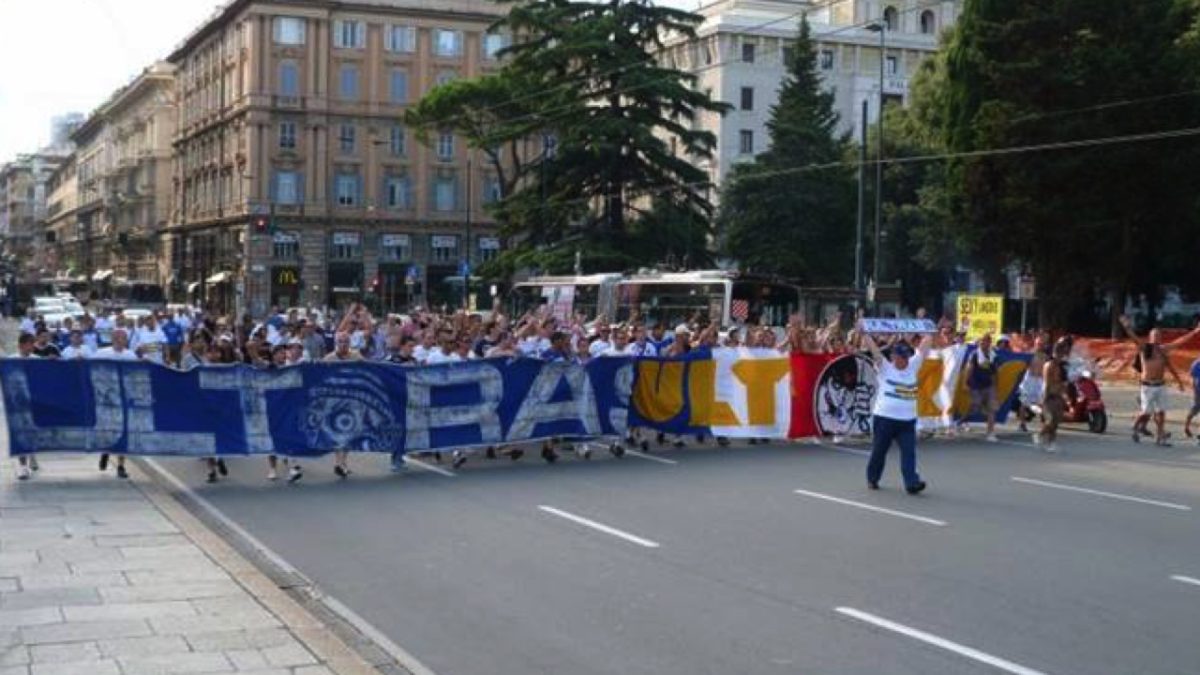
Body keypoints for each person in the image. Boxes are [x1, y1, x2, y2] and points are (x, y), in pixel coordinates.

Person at [861, 327, 932, 494]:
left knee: (909, 453)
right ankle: (872, 478)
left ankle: (911, 483)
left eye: (906, 357)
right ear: (893, 357)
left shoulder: (913, 366)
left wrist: (929, 331)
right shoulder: (885, 367)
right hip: (884, 419)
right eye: (901, 357)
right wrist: (864, 333)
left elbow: (923, 349)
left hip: (907, 421)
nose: (905, 360)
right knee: (879, 451)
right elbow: (875, 351)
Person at [1118, 316, 1195, 446]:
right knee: (1146, 412)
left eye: (1159, 335)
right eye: (1154, 335)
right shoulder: (1144, 347)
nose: (1157, 338)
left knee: (1161, 412)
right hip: (1147, 386)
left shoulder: (1163, 350)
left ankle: (1160, 438)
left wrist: (1196, 331)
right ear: (1150, 337)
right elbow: (1133, 337)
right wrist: (1126, 326)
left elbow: (1180, 342)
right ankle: (1136, 427)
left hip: (1161, 385)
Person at [92, 328, 140, 479]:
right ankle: (106, 450)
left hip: (123, 399)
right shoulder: (102, 353)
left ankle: (121, 465)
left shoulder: (130, 355)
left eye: (123, 337)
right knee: (107, 429)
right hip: (106, 399)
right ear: (112, 339)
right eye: (117, 337)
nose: (120, 340)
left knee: (123, 432)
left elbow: (135, 376)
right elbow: (91, 368)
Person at [323, 332, 364, 477]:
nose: (343, 344)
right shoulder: (328, 359)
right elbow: (321, 377)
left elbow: (369, 371)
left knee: (350, 432)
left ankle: (342, 462)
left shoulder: (357, 357)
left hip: (353, 400)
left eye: (346, 341)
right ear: (336, 343)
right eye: (340, 342)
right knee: (338, 431)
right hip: (335, 401)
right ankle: (339, 462)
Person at [10, 334, 40, 480]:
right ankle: (22, 466)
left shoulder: (37, 360)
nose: (32, 346)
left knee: (32, 431)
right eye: (30, 344)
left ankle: (32, 454)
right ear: (21, 345)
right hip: (17, 402)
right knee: (20, 432)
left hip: (34, 401)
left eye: (33, 344)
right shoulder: (11, 360)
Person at [962, 333, 999, 442]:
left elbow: (994, 373)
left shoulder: (993, 356)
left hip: (988, 386)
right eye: (983, 340)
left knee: (992, 409)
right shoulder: (974, 354)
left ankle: (990, 433)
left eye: (987, 341)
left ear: (990, 343)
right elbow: (969, 369)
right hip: (975, 385)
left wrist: (995, 387)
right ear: (979, 342)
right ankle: (964, 419)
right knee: (975, 404)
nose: (985, 343)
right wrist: (965, 383)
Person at [1037, 340, 1071, 453]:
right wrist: (1044, 399)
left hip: (1058, 395)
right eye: (1061, 353)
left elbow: (1065, 382)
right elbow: (1047, 383)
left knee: (1056, 421)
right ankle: (1039, 435)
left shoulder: (1062, 366)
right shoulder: (1049, 365)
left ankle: (1051, 443)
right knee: (1050, 420)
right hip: (1049, 395)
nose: (1062, 356)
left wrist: (1065, 395)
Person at [1018, 334, 1050, 433]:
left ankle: (1043, 426)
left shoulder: (1046, 356)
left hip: (1040, 380)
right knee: (1024, 402)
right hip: (1029, 379)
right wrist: (1019, 380)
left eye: (1042, 344)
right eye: (1038, 343)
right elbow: (1023, 367)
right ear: (1035, 343)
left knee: (1042, 402)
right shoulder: (1029, 354)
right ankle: (1022, 423)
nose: (1040, 345)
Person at [1185, 354, 1200, 445]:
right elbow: (1192, 378)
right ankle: (1186, 427)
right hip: (1198, 392)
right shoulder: (1196, 364)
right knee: (1194, 409)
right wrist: (1194, 389)